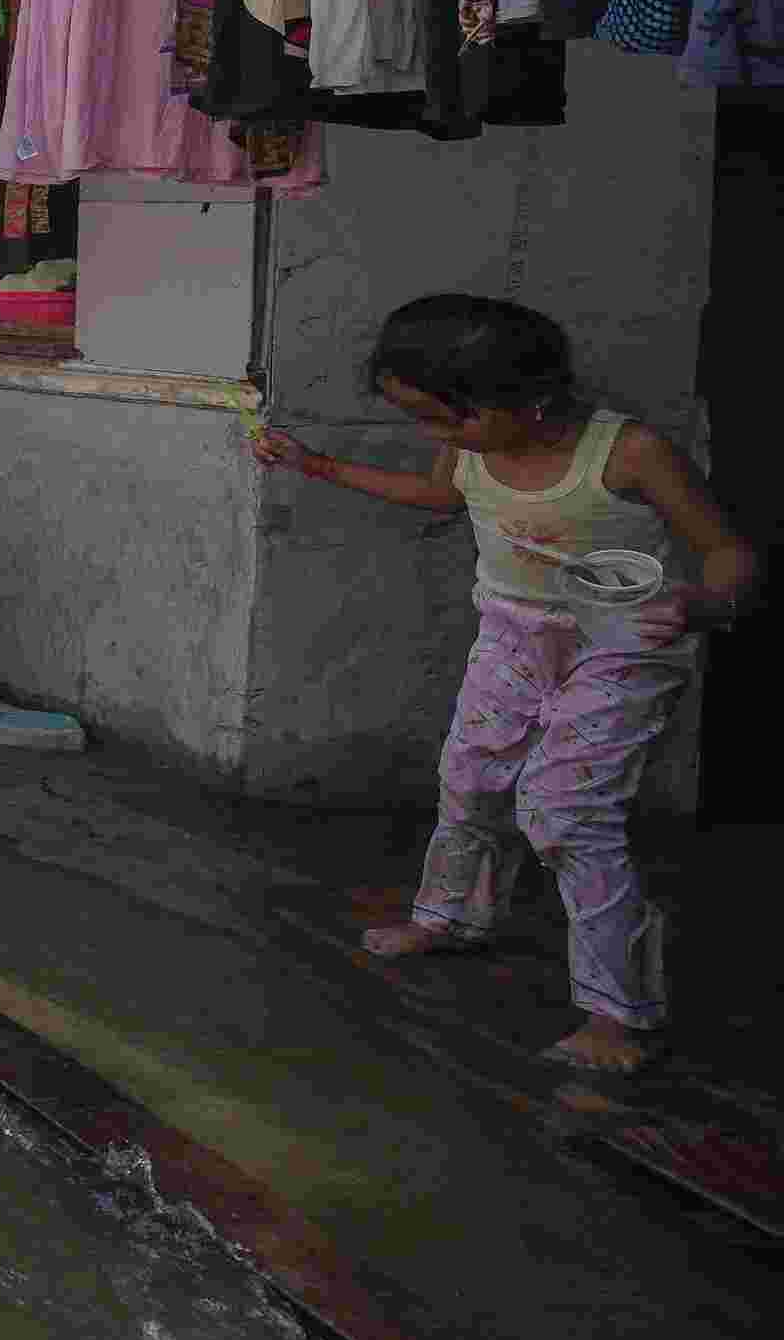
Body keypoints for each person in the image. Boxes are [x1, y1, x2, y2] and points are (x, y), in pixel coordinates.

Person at [253, 294, 751, 1072]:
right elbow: (440, 495)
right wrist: (314, 464)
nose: (437, 438)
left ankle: (614, 1015)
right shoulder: (471, 446)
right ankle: (449, 914)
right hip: (513, 634)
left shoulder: (629, 452)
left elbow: (728, 553)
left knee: (565, 811)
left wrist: (700, 603)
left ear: (532, 398)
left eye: (449, 420)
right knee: (471, 776)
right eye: (423, 420)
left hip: (618, 647)